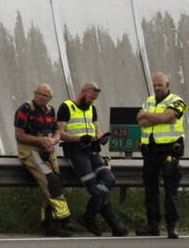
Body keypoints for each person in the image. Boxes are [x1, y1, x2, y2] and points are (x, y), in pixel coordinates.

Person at [56, 82, 128, 236]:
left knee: (109, 179)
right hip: (76, 152)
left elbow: (96, 128)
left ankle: (88, 217)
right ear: (83, 92)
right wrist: (79, 139)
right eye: (90, 98)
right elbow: (60, 134)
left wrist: (100, 137)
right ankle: (115, 225)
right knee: (94, 187)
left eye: (94, 99)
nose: (92, 102)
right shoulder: (66, 107)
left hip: (92, 150)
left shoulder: (91, 108)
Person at [15, 84, 72, 237]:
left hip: (48, 150)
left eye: (44, 95)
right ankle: (62, 218)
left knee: (57, 182)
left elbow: (57, 131)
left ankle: (52, 222)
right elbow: (19, 136)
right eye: (38, 93)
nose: (40, 96)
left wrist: (53, 140)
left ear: (49, 98)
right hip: (30, 149)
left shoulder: (51, 110)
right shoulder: (25, 109)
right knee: (50, 182)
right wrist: (41, 141)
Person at [136, 72, 187, 239]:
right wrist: (159, 118)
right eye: (155, 85)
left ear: (167, 84)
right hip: (150, 150)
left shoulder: (178, 102)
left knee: (170, 190)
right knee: (150, 189)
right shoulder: (149, 101)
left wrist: (149, 116)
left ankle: (172, 226)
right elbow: (141, 121)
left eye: (160, 85)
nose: (157, 88)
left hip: (169, 150)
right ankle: (153, 225)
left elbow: (168, 117)